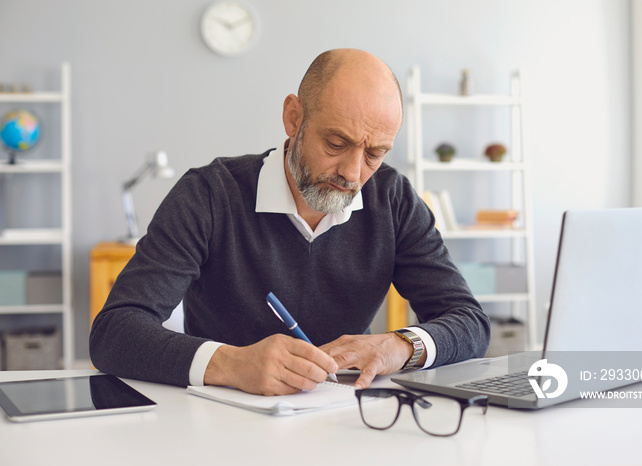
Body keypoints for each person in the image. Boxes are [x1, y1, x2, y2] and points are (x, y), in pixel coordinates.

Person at [89, 48, 490, 395]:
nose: (352, 173)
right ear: (293, 118)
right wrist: (230, 364)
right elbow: (114, 333)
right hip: (222, 425)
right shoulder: (209, 195)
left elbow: (470, 322)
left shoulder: (393, 199)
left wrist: (400, 346)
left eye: (375, 154)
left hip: (346, 421)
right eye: (336, 144)